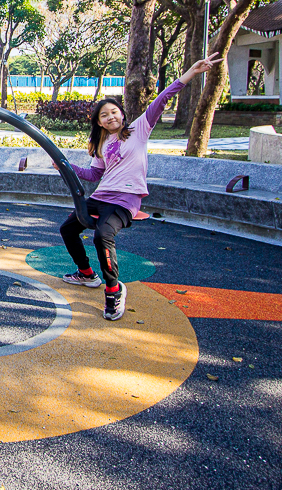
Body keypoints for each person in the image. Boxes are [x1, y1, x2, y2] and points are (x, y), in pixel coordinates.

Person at [58, 53, 221, 321]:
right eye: (104, 115)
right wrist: (66, 166)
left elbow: (162, 99)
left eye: (114, 112)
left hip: (125, 201)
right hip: (101, 197)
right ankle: (86, 274)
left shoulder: (139, 128)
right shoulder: (101, 145)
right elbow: (93, 174)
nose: (110, 117)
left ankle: (113, 290)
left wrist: (190, 73)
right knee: (67, 229)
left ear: (121, 114)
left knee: (102, 236)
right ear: (99, 122)